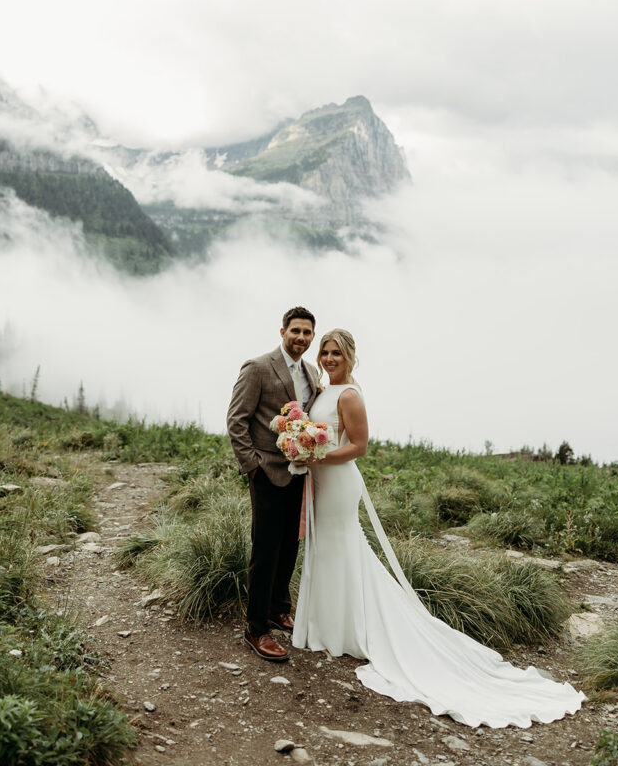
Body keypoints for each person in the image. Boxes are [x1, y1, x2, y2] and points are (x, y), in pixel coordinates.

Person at [292, 328, 586, 728]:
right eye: (325, 352)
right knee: (325, 549)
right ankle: (328, 626)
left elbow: (359, 446)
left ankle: (351, 630)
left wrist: (319, 456)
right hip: (321, 479)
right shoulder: (321, 392)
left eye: (336, 353)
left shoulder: (350, 396)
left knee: (342, 546)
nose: (328, 359)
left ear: (350, 357)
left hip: (338, 482)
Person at [227, 306, 318, 662]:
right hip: (267, 472)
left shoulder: (311, 372)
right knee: (264, 550)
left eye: (307, 333)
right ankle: (256, 628)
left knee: (288, 547)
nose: (301, 338)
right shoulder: (258, 367)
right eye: (295, 331)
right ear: (282, 332)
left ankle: (280, 609)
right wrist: (254, 468)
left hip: (300, 474)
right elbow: (237, 421)